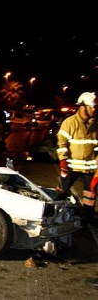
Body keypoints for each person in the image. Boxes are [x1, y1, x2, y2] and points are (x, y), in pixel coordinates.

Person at [56, 92, 98, 225]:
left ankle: (88, 219)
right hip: (71, 167)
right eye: (92, 106)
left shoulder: (96, 124)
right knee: (60, 191)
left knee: (90, 196)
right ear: (83, 106)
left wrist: (97, 174)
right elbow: (61, 143)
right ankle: (54, 213)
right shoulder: (69, 123)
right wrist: (63, 160)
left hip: (89, 169)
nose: (94, 109)